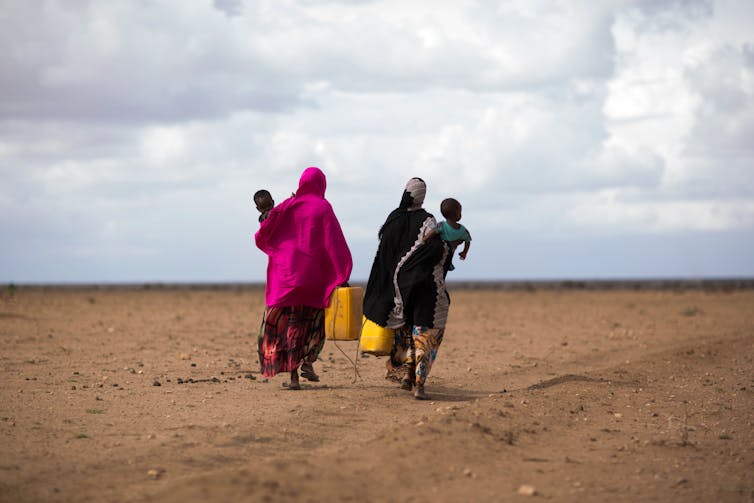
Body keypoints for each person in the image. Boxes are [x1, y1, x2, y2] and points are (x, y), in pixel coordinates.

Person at [255, 167, 352, 390]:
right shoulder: (323, 207)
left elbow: (266, 228)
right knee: (312, 325)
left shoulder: (289, 205)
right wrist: (341, 274)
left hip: (286, 278)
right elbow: (334, 243)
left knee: (288, 325)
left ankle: (293, 376)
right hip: (313, 281)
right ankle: (307, 360)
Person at [363, 177, 450, 400]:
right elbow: (437, 249)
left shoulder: (392, 220)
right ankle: (418, 382)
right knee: (424, 332)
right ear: (423, 196)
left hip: (397, 288)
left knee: (404, 330)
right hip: (425, 286)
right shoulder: (429, 221)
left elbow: (382, 256)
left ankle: (405, 374)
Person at [423, 197, 471, 272]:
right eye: (460, 212)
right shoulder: (463, 230)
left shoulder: (442, 226)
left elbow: (432, 232)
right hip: (448, 256)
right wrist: (464, 252)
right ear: (456, 214)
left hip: (437, 254)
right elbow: (468, 241)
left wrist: (424, 239)